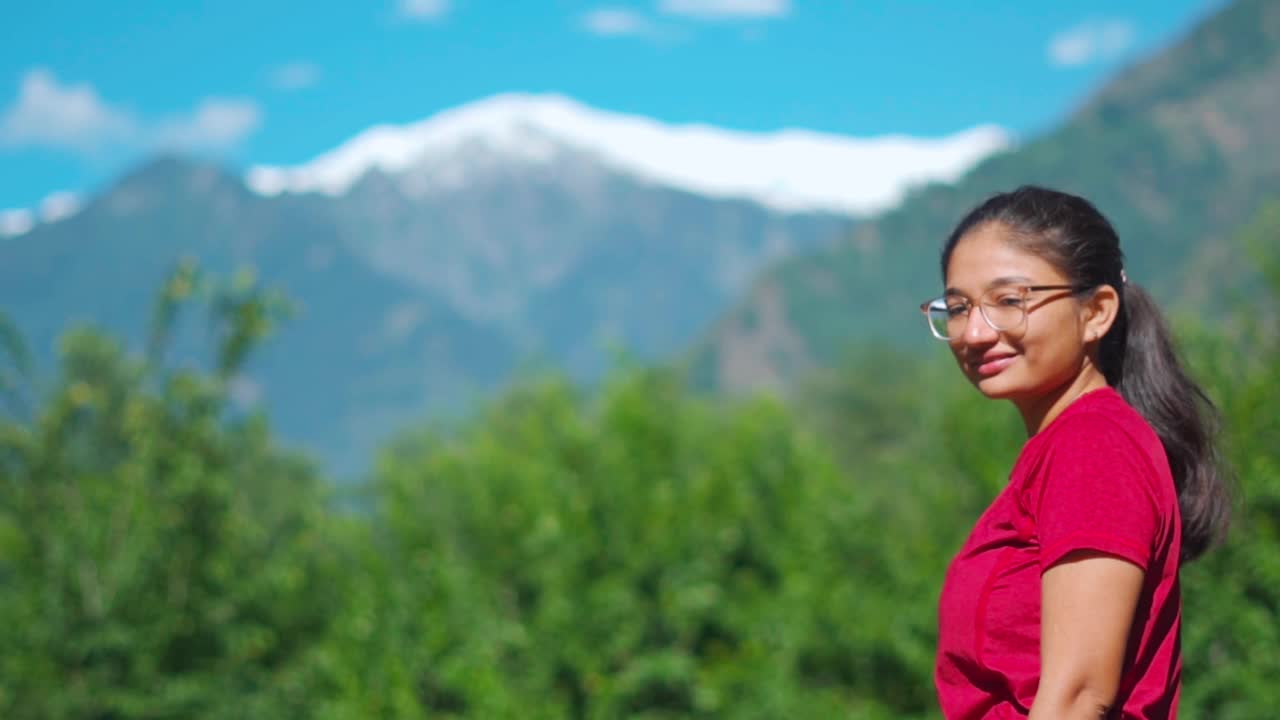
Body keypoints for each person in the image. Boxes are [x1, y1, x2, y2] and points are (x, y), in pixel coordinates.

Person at [921, 186, 1231, 719]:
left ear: (1096, 312)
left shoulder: (1094, 446)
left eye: (1009, 301)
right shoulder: (1070, 445)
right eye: (958, 306)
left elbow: (1078, 697)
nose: (973, 333)